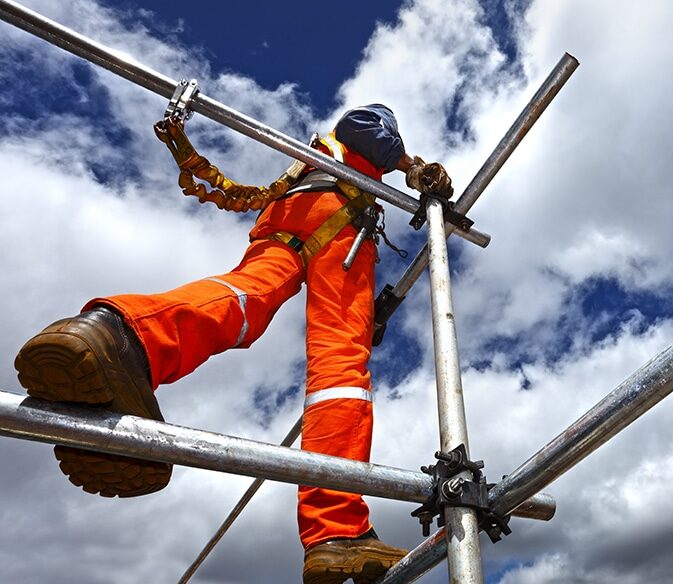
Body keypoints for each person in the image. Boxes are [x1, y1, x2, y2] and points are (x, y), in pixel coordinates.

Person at [14, 104, 453, 583]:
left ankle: (123, 336)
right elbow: (364, 127)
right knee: (339, 364)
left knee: (247, 300)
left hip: (290, 217)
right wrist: (412, 166)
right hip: (340, 219)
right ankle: (335, 528)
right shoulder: (366, 127)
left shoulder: (315, 156)